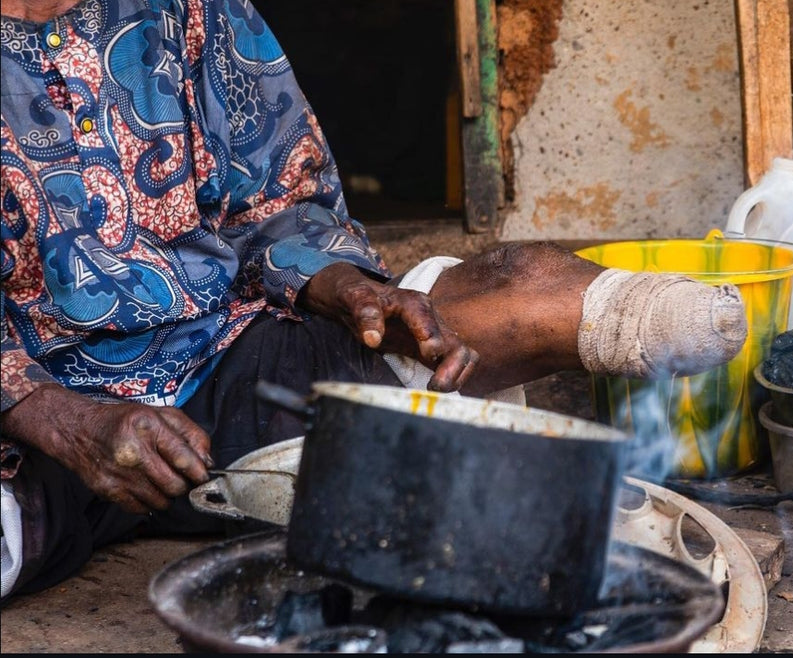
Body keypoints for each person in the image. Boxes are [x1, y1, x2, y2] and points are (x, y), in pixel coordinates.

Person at [0, 0, 748, 602]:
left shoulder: (195, 9)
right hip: (30, 430)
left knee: (523, 290)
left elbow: (279, 200)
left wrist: (350, 290)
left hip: (230, 363)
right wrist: (63, 422)